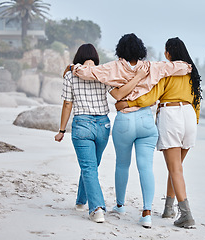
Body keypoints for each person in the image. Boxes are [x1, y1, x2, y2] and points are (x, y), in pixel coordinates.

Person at [71, 33, 192, 228]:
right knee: (145, 167)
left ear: (120, 50)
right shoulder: (151, 67)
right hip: (146, 120)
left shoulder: (113, 68)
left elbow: (88, 72)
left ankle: (119, 205)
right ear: (140, 50)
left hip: (125, 120)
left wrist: (73, 67)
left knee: (122, 164)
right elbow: (181, 67)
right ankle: (146, 213)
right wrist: (187, 67)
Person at [54, 43, 148, 223]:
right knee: (91, 166)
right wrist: (137, 78)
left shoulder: (70, 75)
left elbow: (67, 104)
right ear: (95, 58)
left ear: (78, 58)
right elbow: (119, 94)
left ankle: (96, 208)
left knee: (89, 167)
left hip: (82, 125)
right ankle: (81, 201)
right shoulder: (103, 73)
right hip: (103, 126)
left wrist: (61, 130)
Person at [115, 37, 202, 229]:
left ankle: (186, 215)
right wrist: (194, 121)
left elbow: (152, 96)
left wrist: (129, 103)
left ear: (170, 52)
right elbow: (197, 101)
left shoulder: (167, 71)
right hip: (189, 117)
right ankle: (169, 208)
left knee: (174, 168)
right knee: (177, 167)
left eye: (165, 50)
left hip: (172, 115)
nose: (164, 54)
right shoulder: (191, 72)